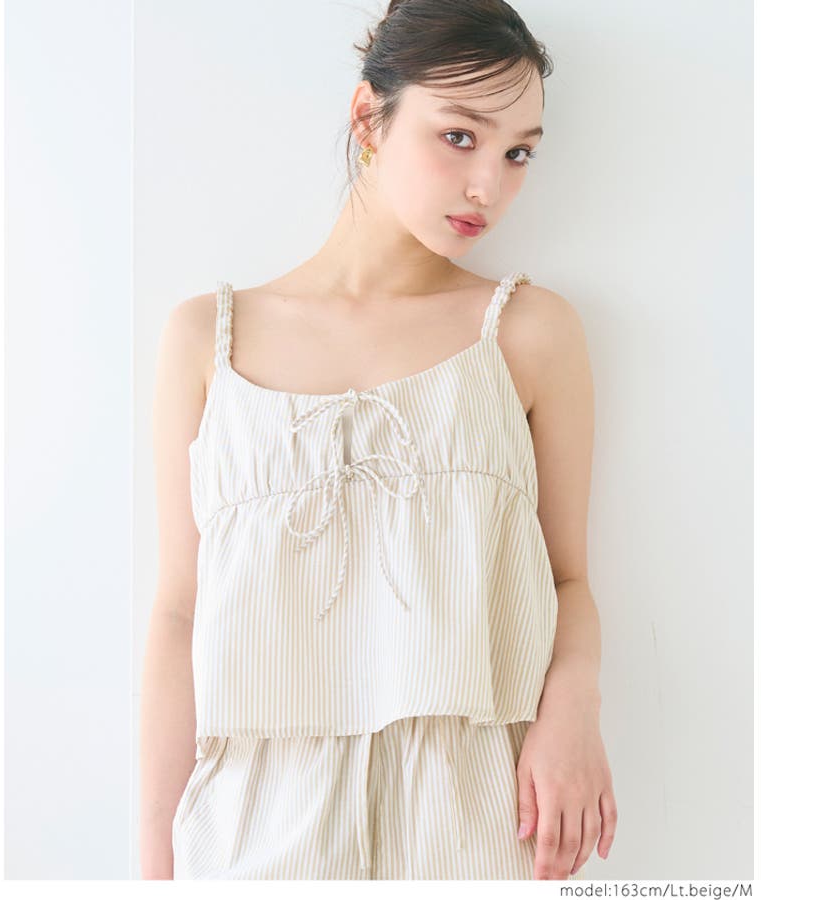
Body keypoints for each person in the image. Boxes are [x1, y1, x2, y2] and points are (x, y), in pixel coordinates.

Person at [140, 0, 616, 880]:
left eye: (519, 153)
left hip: (475, 818)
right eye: (460, 137)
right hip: (249, 829)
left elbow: (568, 579)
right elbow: (178, 615)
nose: (489, 186)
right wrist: (153, 875)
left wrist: (574, 707)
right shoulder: (207, 340)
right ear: (368, 116)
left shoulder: (528, 332)